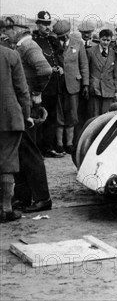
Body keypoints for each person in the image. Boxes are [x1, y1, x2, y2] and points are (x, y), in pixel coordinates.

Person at [3, 16, 53, 213]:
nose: (5, 33)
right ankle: (23, 198)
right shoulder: (19, 47)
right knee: (21, 152)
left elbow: (45, 69)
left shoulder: (29, 46)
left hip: (27, 105)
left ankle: (43, 198)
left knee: (31, 153)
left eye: (8, 29)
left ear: (19, 29)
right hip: (21, 104)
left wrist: (36, 92)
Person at [0, 46, 32, 222]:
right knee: (7, 162)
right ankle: (6, 209)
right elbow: (22, 89)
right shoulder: (11, 55)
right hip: (9, 118)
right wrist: (27, 115)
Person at [53, 20, 89, 155]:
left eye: (64, 35)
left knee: (72, 114)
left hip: (73, 84)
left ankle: (69, 143)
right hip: (58, 85)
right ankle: (59, 144)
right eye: (60, 36)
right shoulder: (54, 45)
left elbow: (84, 64)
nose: (63, 38)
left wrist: (85, 84)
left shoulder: (78, 43)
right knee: (59, 114)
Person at [31, 10, 63, 158]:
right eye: (43, 24)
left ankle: (48, 147)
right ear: (37, 24)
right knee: (39, 117)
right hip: (40, 86)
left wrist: (59, 67)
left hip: (53, 85)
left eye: (48, 24)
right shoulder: (33, 41)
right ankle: (36, 149)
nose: (46, 27)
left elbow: (57, 56)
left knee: (51, 117)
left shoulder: (51, 40)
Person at [87, 29, 117, 117]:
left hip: (108, 89)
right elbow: (86, 70)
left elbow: (115, 74)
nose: (105, 42)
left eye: (108, 40)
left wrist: (116, 90)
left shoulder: (113, 53)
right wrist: (87, 85)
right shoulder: (90, 51)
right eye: (103, 40)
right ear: (99, 39)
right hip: (95, 88)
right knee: (94, 116)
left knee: (105, 116)